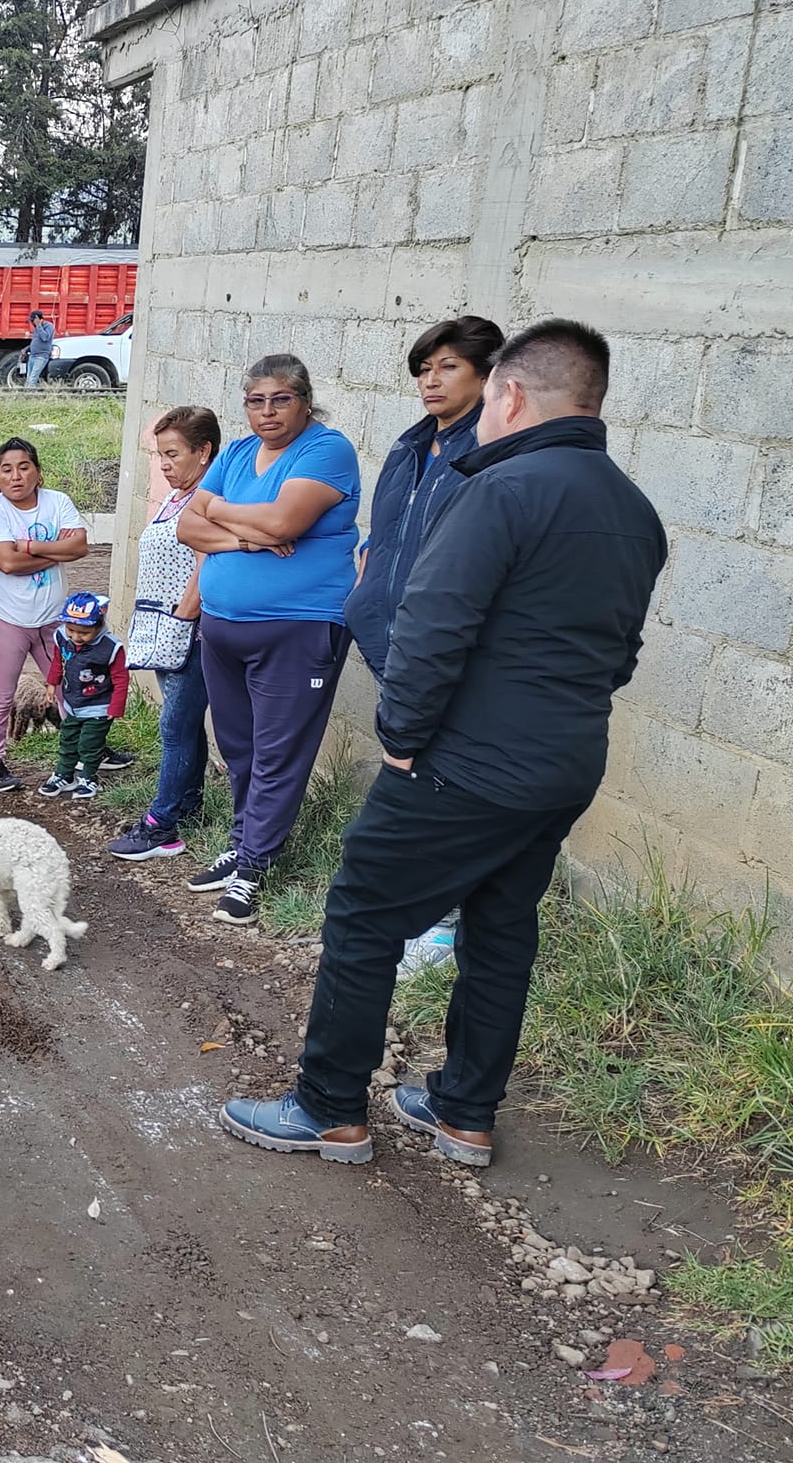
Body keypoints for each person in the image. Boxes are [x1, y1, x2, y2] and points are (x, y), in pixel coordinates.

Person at [221, 320, 666, 1169]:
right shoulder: (631, 509)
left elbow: (432, 626)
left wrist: (402, 738)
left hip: (462, 764)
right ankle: (464, 1110)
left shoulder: (498, 490)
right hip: (565, 763)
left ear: (510, 395)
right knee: (501, 927)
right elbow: (620, 653)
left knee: (362, 913)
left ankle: (329, 1107)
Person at [175, 354, 360, 928]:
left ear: (304, 399)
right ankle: (241, 843)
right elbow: (187, 525)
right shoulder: (233, 452)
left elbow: (285, 524)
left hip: (299, 628)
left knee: (279, 751)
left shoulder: (325, 451)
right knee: (240, 747)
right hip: (224, 628)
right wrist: (248, 541)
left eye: (280, 398)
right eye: (256, 400)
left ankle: (255, 865)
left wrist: (223, 514)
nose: (267, 411)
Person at [345, 316, 505, 682]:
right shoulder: (407, 448)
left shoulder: (490, 455)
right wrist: (361, 593)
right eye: (423, 370)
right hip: (382, 644)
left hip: (447, 658)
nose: (430, 381)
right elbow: (385, 534)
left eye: (449, 367)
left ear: (486, 376)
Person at [107, 406, 224, 861]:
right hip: (163, 630)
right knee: (186, 727)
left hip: (188, 634)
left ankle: (161, 824)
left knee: (174, 726)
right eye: (160, 455)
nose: (164, 464)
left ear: (204, 451)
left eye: (173, 454)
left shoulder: (209, 499)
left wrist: (184, 617)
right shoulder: (180, 496)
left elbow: (205, 564)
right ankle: (188, 806)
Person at [0, 436, 87, 792]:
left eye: (24, 467)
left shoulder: (58, 502)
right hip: (6, 616)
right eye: (6, 470)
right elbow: (7, 562)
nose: (15, 476)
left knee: (70, 688)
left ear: (38, 472)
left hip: (54, 618)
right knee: (1, 693)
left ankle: (81, 755)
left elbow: (81, 546)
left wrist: (30, 546)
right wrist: (58, 551)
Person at [37, 592, 130, 799]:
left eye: (84, 632)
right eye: (71, 630)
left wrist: (116, 707)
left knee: (90, 744)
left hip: (99, 706)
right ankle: (64, 775)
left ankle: (88, 778)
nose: (76, 637)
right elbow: (58, 660)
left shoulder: (111, 648)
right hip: (73, 703)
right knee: (68, 739)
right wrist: (52, 683)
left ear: (98, 625)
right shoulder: (62, 637)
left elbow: (121, 678)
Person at [24, 310, 56, 388]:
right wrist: (26, 349)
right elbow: (35, 341)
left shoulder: (49, 326)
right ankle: (28, 392)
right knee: (29, 378)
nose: (31, 323)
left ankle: (30, 395)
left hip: (41, 356)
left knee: (33, 378)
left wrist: (38, 325)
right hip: (32, 355)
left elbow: (45, 337)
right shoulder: (37, 328)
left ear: (38, 319)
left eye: (32, 320)